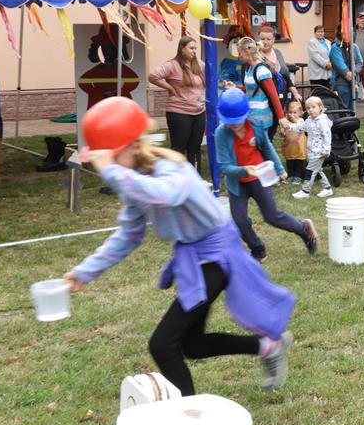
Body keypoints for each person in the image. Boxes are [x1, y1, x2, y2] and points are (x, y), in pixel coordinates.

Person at [64, 97, 294, 395]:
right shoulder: (135, 180)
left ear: (129, 147)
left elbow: (166, 194)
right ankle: (269, 347)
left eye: (108, 160)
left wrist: (113, 171)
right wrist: (83, 272)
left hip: (217, 256)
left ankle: (187, 413)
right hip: (195, 257)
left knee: (162, 344)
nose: (105, 169)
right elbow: (127, 236)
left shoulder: (170, 170)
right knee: (192, 345)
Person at [214, 89, 319, 263]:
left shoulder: (255, 126)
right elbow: (225, 166)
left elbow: (267, 148)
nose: (234, 125)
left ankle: (303, 229)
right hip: (237, 183)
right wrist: (244, 170)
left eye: (238, 121)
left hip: (258, 178)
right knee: (239, 221)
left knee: (272, 216)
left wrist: (279, 168)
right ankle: (258, 248)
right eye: (230, 122)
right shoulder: (221, 134)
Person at [148, 35, 206, 171]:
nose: (194, 51)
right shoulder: (172, 65)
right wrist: (169, 87)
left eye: (195, 48)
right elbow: (153, 76)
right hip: (179, 112)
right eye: (191, 48)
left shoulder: (199, 65)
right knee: (179, 148)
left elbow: (210, 78)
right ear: (182, 48)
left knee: (195, 147)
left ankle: (195, 175)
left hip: (199, 112)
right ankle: (175, 175)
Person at [235, 36, 288, 136]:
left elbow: (273, 95)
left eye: (240, 53)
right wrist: (234, 88)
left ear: (247, 52)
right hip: (251, 116)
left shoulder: (262, 71)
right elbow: (251, 90)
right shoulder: (248, 68)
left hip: (261, 119)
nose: (239, 56)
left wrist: (281, 117)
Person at [289, 95, 334, 199]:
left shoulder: (322, 121)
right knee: (317, 171)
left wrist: (326, 149)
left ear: (320, 108)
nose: (311, 110)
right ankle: (327, 188)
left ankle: (305, 191)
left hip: (320, 152)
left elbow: (327, 136)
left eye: (313, 107)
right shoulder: (309, 120)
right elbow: (300, 127)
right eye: (308, 108)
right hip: (312, 150)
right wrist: (289, 126)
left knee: (310, 171)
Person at [257, 24, 300, 109]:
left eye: (268, 39)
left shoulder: (277, 52)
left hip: (281, 96)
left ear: (273, 40)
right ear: (258, 39)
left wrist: (295, 93)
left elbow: (285, 75)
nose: (265, 42)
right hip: (264, 99)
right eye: (262, 39)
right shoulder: (256, 56)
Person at [280, 99, 308, 184]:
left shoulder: (301, 121)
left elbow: (301, 127)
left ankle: (298, 176)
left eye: (295, 112)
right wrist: (282, 131)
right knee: (290, 161)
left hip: (299, 146)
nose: (292, 114)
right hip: (290, 146)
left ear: (300, 113)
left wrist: (294, 120)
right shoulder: (286, 121)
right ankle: (291, 175)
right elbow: (282, 133)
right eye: (290, 112)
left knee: (299, 162)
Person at [329, 29, 354, 110]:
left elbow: (359, 62)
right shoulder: (335, 47)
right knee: (343, 109)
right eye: (344, 33)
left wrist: (355, 74)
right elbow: (340, 65)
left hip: (352, 81)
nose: (347, 35)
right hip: (340, 82)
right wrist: (348, 74)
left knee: (351, 109)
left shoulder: (352, 46)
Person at [307, 23, 332, 88]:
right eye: (318, 32)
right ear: (315, 33)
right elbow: (315, 56)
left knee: (327, 92)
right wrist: (326, 64)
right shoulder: (312, 42)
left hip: (328, 73)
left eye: (322, 32)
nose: (320, 33)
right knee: (317, 92)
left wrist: (332, 64)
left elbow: (331, 54)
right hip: (317, 74)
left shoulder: (328, 42)